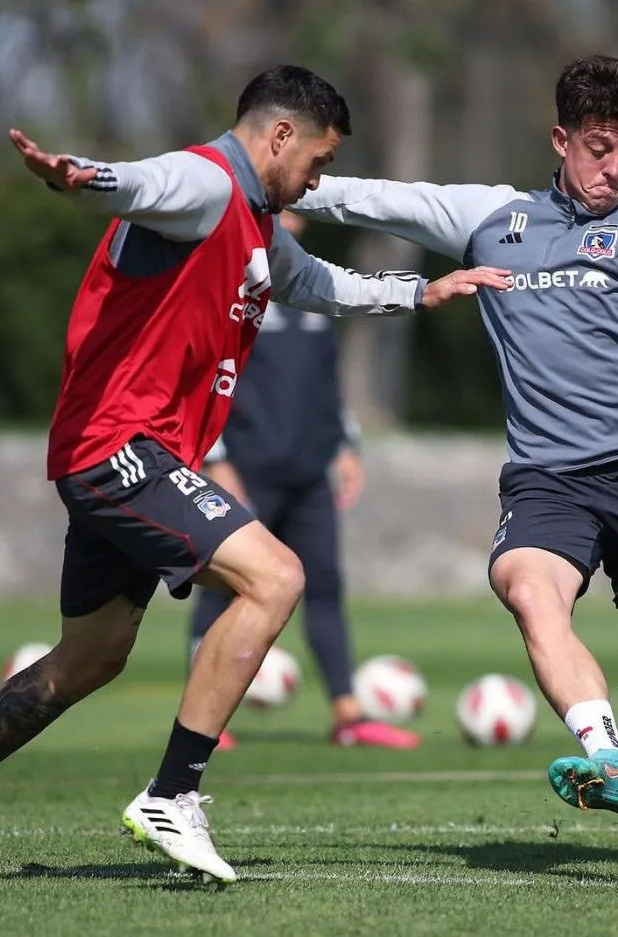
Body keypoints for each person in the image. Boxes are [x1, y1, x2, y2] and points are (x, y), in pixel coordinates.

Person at [0, 64, 510, 884]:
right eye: (320, 161)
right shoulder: (206, 183)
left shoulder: (257, 223)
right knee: (276, 577)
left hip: (126, 452)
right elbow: (141, 183)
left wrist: (421, 291)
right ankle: (173, 794)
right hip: (118, 447)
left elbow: (315, 284)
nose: (321, 179)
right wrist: (80, 176)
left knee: (90, 656)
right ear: (279, 137)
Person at [291, 55, 618, 819]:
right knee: (530, 590)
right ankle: (605, 754)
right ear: (559, 140)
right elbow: (371, 200)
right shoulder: (490, 219)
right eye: (599, 148)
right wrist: (260, 179)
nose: (615, 169)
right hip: (548, 476)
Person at [191, 211, 419, 751]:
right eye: (278, 207)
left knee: (325, 587)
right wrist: (217, 459)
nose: (289, 217)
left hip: (310, 470)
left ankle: (348, 714)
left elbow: (327, 383)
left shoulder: (311, 288)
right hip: (245, 470)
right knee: (221, 587)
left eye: (294, 210)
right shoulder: (230, 284)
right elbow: (205, 376)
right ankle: (206, 719)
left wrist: (346, 445)